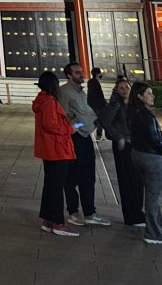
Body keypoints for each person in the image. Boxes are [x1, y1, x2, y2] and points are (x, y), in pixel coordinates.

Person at [58, 63, 111, 227]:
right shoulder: (65, 92)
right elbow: (64, 116)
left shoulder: (80, 91)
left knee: (88, 176)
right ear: (69, 75)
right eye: (77, 72)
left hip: (86, 137)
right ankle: (73, 211)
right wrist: (79, 126)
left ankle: (90, 212)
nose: (81, 74)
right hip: (76, 138)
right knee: (73, 175)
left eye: (82, 72)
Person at [32, 70, 78, 236]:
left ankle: (48, 220)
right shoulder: (50, 102)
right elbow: (50, 124)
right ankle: (58, 223)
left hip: (49, 149)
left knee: (51, 186)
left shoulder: (42, 100)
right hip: (57, 149)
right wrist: (70, 128)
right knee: (57, 187)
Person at [129, 83, 162, 245]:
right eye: (149, 93)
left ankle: (159, 225)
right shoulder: (145, 116)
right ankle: (153, 232)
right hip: (150, 157)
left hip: (137, 155)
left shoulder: (133, 112)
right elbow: (153, 139)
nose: (152, 96)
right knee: (153, 195)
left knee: (150, 193)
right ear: (140, 96)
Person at [100, 77, 145, 228]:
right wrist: (118, 136)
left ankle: (138, 212)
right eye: (121, 88)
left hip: (135, 145)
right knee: (127, 179)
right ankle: (131, 215)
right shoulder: (115, 105)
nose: (125, 90)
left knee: (138, 180)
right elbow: (105, 121)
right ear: (117, 91)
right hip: (123, 146)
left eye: (127, 87)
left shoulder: (135, 105)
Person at [86, 67, 107, 140]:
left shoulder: (91, 81)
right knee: (100, 119)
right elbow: (97, 94)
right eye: (100, 72)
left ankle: (98, 134)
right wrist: (103, 103)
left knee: (98, 119)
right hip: (98, 105)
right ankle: (99, 134)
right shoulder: (95, 82)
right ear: (97, 74)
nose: (101, 74)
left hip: (95, 104)